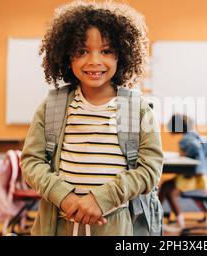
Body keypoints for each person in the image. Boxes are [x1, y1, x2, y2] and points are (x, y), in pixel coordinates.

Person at [20, 1, 163, 236]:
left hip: (116, 226)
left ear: (122, 56)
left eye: (106, 51)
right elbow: (31, 162)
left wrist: (101, 199)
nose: (94, 61)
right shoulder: (52, 107)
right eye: (82, 51)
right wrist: (63, 196)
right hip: (59, 223)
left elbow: (150, 169)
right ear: (67, 57)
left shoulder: (137, 109)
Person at [158, 114, 207, 232]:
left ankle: (159, 219)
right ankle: (162, 218)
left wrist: (188, 154)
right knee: (166, 186)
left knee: (168, 189)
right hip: (202, 178)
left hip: (195, 179)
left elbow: (195, 148)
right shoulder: (198, 136)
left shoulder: (186, 139)